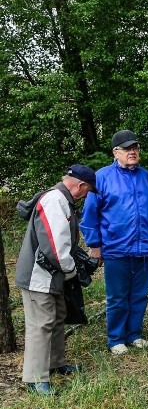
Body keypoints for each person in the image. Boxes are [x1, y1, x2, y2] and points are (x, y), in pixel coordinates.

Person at [17, 165, 96, 395]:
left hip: (52, 276)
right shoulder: (54, 201)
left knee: (57, 318)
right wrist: (73, 271)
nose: (86, 195)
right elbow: (54, 246)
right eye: (88, 190)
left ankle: (56, 364)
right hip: (38, 277)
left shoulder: (61, 200)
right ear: (80, 186)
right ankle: (35, 378)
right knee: (40, 325)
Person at [81, 130, 148, 355]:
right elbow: (89, 215)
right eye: (126, 149)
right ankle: (116, 338)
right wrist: (95, 246)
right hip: (115, 248)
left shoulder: (147, 177)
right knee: (117, 296)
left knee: (140, 294)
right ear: (115, 152)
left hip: (146, 246)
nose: (132, 152)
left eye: (135, 147)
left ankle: (134, 334)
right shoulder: (102, 177)